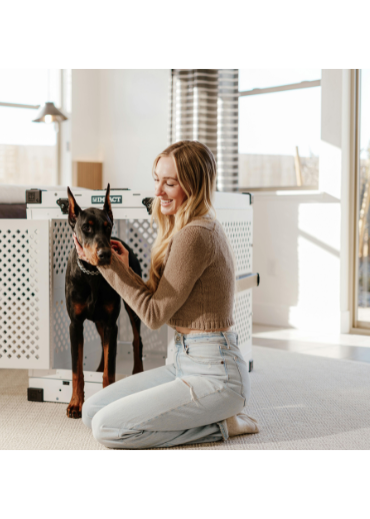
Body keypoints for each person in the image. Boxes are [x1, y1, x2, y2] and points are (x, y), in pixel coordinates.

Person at [73, 140, 259, 450]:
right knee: (92, 412)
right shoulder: (180, 228)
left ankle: (221, 425)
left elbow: (154, 316)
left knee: (107, 429)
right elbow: (159, 301)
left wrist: (105, 265)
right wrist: (122, 267)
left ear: (194, 186)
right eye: (156, 179)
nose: (158, 191)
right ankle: (208, 417)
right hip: (183, 362)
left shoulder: (195, 234)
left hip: (216, 374)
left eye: (169, 183)